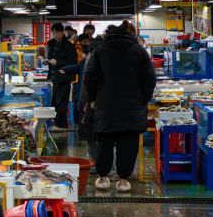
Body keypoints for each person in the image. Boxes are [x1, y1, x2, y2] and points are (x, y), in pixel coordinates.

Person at [79, 24, 156, 192]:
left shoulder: (100, 51)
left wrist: (92, 99)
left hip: (106, 105)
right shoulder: (139, 51)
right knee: (128, 143)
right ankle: (123, 180)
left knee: (105, 141)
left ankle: (103, 178)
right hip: (132, 105)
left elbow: (89, 77)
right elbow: (150, 77)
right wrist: (144, 98)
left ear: (108, 35)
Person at [46, 22, 77, 129]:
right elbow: (50, 57)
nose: (56, 35)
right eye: (54, 33)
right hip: (54, 78)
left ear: (62, 32)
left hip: (64, 78)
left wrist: (58, 62)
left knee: (61, 102)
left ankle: (62, 125)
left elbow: (73, 62)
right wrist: (48, 61)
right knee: (54, 101)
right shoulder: (51, 44)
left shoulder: (69, 46)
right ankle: (55, 122)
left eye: (57, 33)